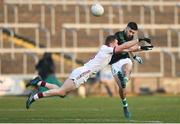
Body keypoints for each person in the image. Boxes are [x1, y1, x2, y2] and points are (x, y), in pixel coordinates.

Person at [25, 35, 152, 111]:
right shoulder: (106, 48)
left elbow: (127, 48)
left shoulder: (108, 50)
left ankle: (39, 82)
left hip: (82, 72)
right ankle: (35, 96)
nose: (118, 43)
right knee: (62, 91)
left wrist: (141, 48)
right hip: (83, 73)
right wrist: (139, 39)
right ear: (111, 43)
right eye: (116, 42)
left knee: (62, 92)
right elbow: (124, 47)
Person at [109, 22, 152, 119]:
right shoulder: (118, 35)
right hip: (114, 62)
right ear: (126, 28)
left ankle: (125, 79)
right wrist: (141, 47)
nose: (131, 34)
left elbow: (130, 49)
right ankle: (125, 105)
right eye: (130, 31)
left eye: (133, 33)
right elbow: (126, 46)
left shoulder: (131, 37)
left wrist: (135, 56)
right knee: (122, 89)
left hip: (125, 59)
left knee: (127, 69)